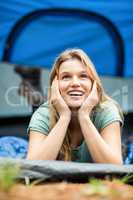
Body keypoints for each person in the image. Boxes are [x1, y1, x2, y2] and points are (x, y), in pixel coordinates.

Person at [27, 48, 123, 164]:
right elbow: (32, 167)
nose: (75, 83)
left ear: (94, 84)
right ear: (55, 86)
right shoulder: (43, 115)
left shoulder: (106, 111)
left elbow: (115, 167)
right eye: (66, 77)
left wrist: (84, 116)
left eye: (83, 76)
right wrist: (64, 117)